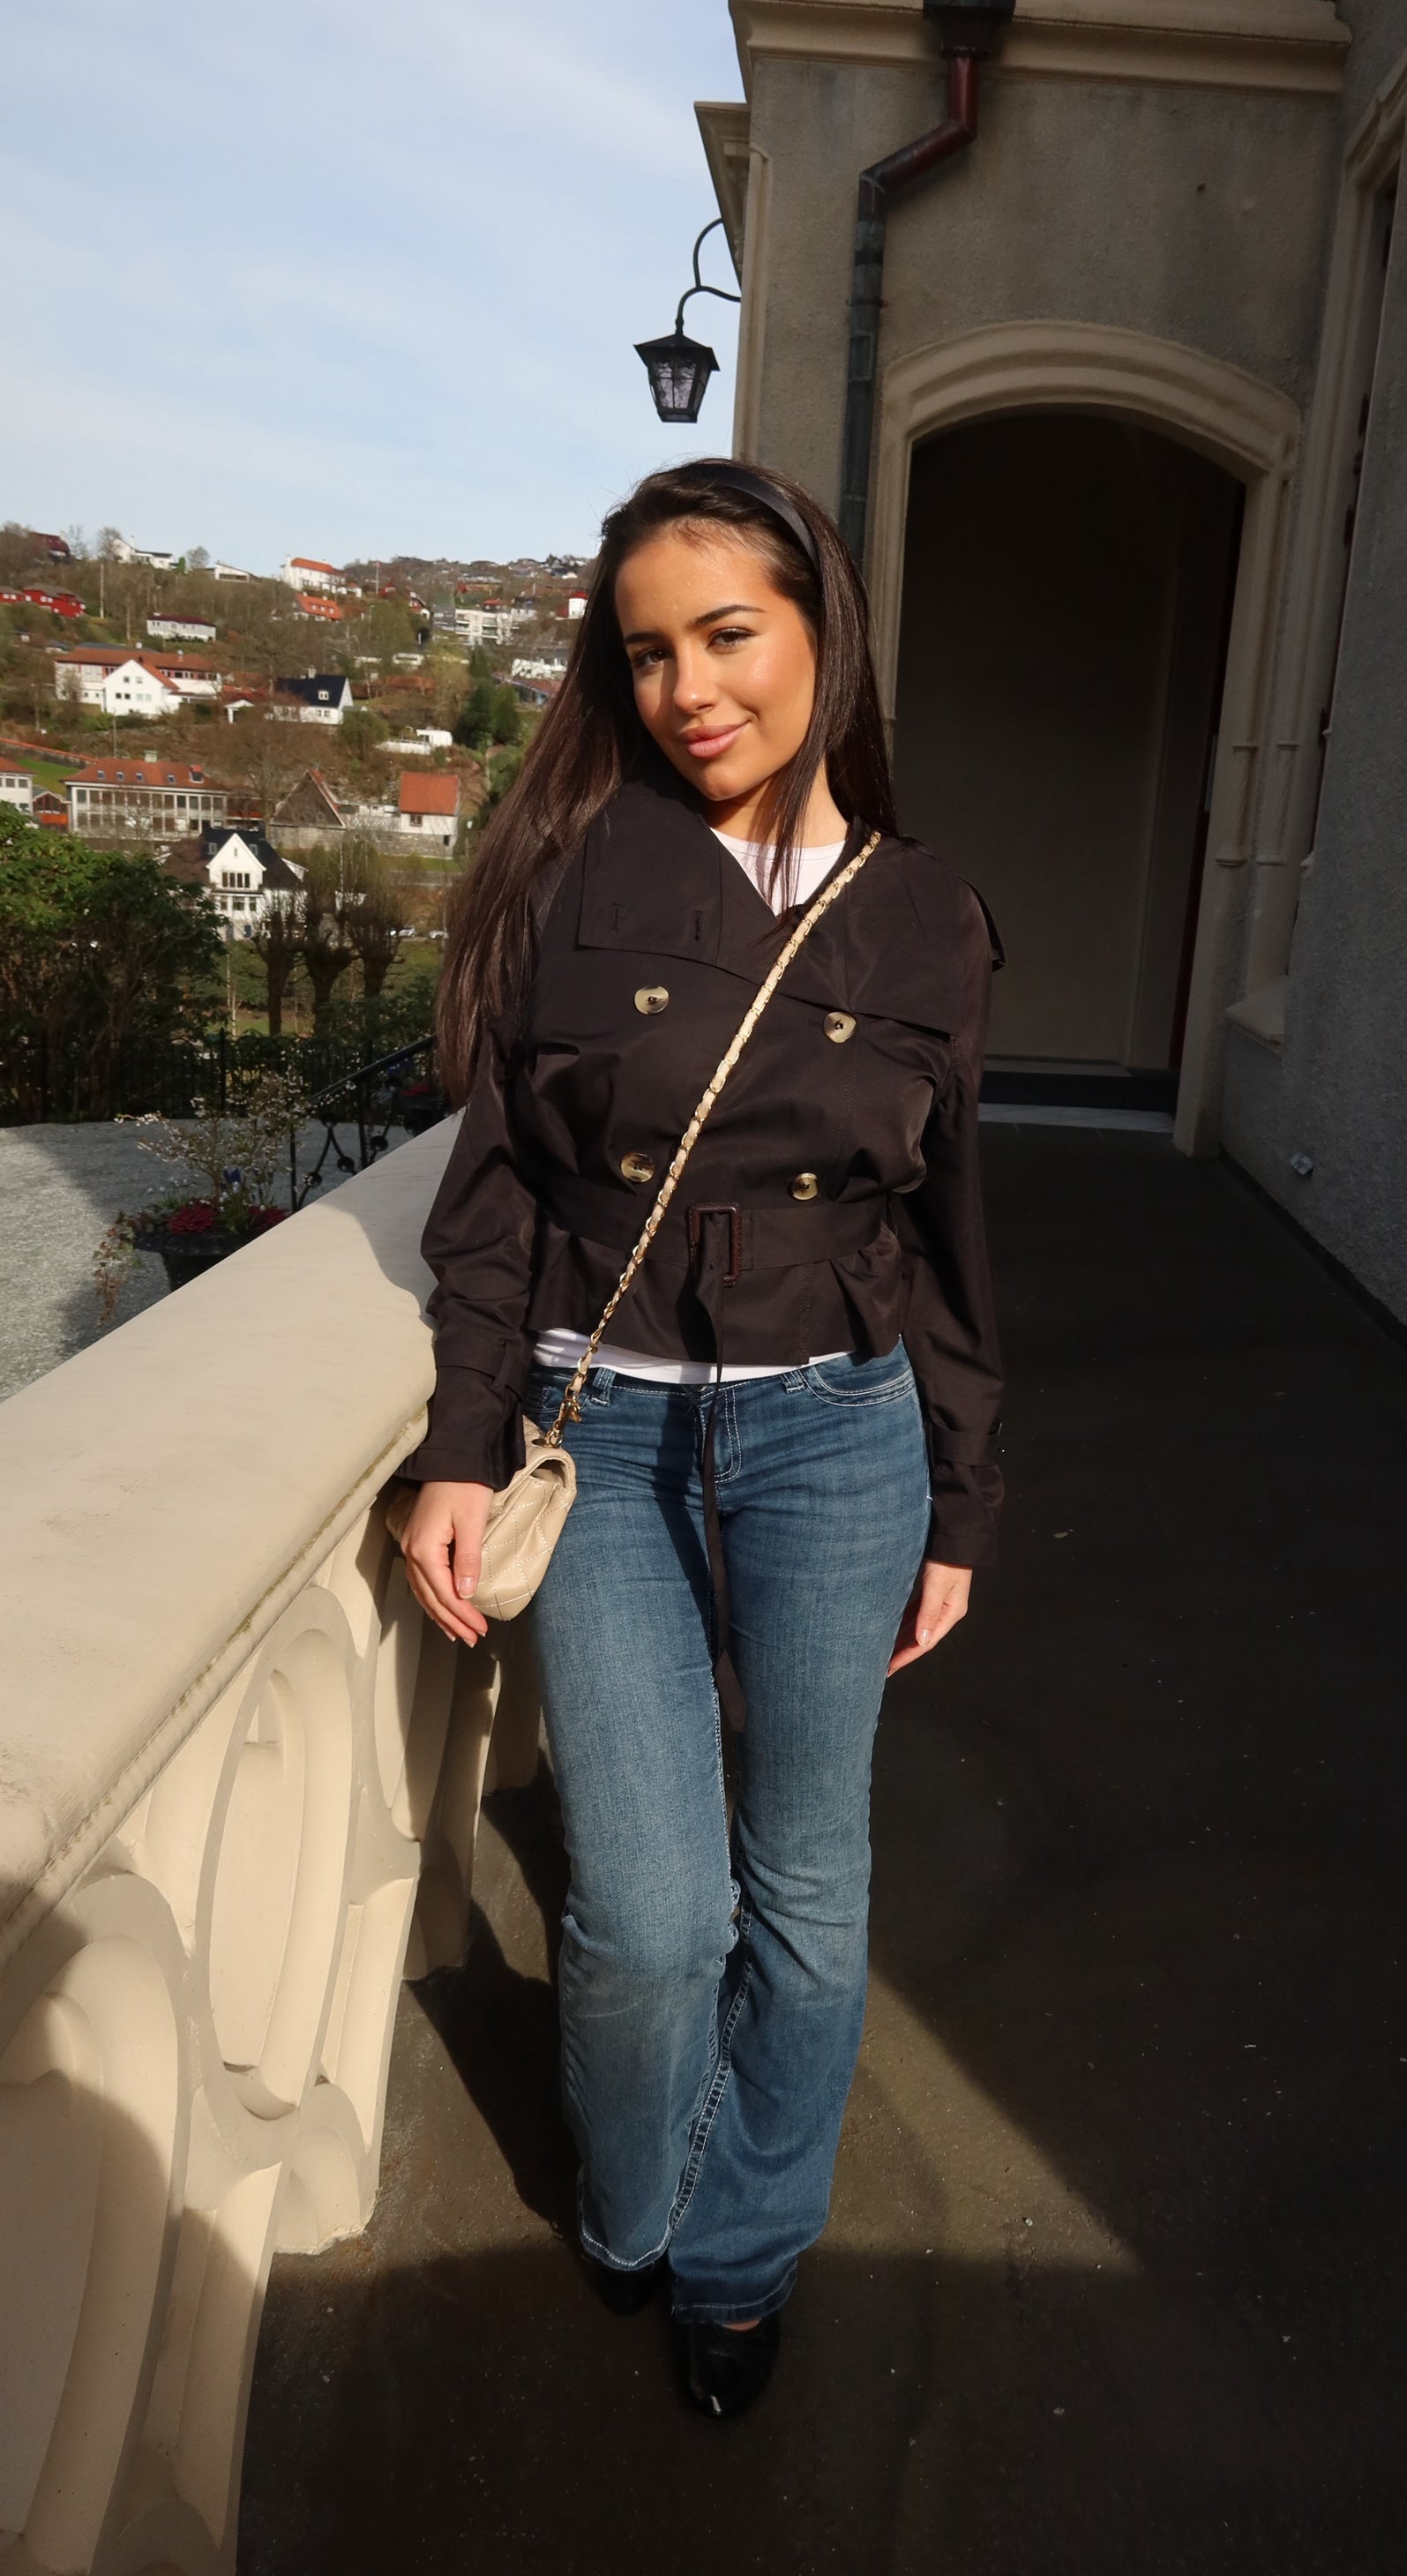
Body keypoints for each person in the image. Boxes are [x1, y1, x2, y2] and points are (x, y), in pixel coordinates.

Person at [399, 458, 1003, 2420]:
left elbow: (947, 1233)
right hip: (613, 1435)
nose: (687, 689)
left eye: (727, 634)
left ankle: (741, 2256)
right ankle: (636, 2201)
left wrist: (962, 1494)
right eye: (647, 652)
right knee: (650, 1916)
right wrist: (460, 1443)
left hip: (838, 1435)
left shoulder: (925, 916)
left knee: (807, 1884)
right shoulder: (573, 880)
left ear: (823, 627)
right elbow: (497, 1201)